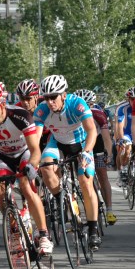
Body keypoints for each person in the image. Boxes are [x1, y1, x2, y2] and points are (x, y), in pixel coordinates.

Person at [0, 80, 53, 254]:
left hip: (24, 154)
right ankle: (14, 229)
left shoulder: (20, 116)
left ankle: (44, 235)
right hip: (3, 157)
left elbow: (35, 149)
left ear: (1, 103)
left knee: (26, 186)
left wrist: (32, 165)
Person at [34, 75, 101, 250]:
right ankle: (61, 200)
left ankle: (93, 229)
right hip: (58, 143)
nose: (49, 102)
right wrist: (32, 160)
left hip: (81, 145)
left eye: (53, 97)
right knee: (46, 167)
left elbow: (92, 130)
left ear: (63, 94)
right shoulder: (42, 110)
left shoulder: (76, 104)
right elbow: (35, 138)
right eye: (46, 97)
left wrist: (86, 153)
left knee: (86, 182)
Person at [75, 89, 116, 225]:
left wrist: (109, 154)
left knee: (102, 175)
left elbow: (106, 138)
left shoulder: (98, 114)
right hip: (80, 143)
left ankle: (109, 210)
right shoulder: (73, 112)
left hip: (96, 143)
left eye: (88, 104)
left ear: (92, 104)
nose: (85, 107)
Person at [116, 87, 135, 186]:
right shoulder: (122, 108)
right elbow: (119, 126)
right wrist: (121, 139)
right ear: (128, 99)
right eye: (132, 99)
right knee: (126, 148)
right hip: (126, 133)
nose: (134, 101)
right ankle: (123, 171)